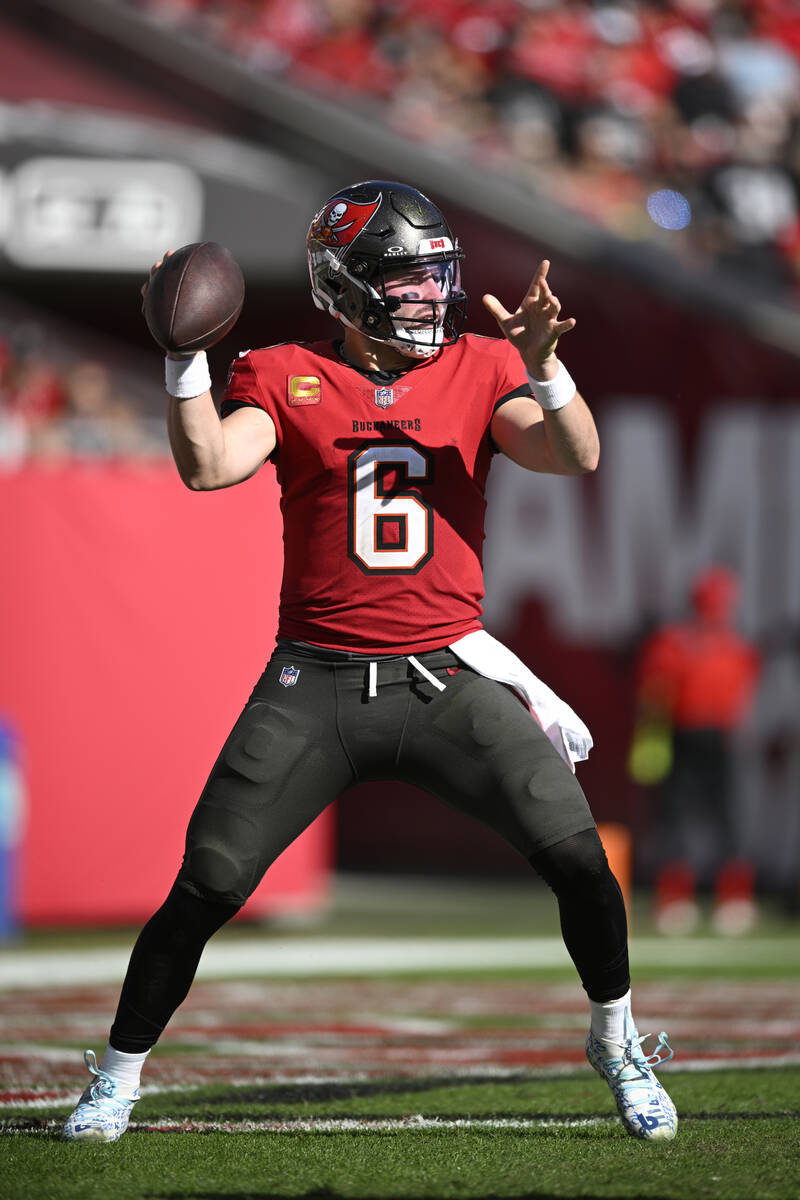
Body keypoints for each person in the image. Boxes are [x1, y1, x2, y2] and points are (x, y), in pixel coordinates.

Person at [63, 180, 677, 1143]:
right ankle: (119, 1075)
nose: (432, 295)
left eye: (438, 276)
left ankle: (617, 1037)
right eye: (407, 277)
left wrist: (547, 369)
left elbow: (573, 456)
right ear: (347, 287)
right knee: (210, 882)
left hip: (447, 677)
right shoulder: (285, 373)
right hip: (319, 681)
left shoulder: (481, 366)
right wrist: (185, 362)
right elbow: (209, 465)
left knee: (583, 865)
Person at [630, 566, 761, 935]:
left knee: (720, 816)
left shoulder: (726, 645)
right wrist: (651, 742)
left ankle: (726, 900)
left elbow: (655, 695)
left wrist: (649, 740)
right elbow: (656, 695)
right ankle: (682, 900)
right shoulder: (686, 643)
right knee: (681, 817)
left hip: (714, 737)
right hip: (687, 736)